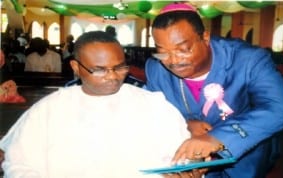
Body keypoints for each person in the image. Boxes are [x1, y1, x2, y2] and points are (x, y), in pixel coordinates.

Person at [0, 31, 191, 178]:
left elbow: (182, 157)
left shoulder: (152, 105)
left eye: (119, 67)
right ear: (76, 67)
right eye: (99, 70)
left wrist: (184, 169)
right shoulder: (50, 109)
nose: (112, 76)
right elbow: (19, 163)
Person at [144, 3, 283, 178]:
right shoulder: (156, 70)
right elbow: (153, 114)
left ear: (205, 38)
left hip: (242, 158)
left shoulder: (247, 59)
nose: (173, 60)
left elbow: (278, 109)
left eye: (183, 50)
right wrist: (184, 124)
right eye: (163, 52)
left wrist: (219, 137)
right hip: (189, 159)